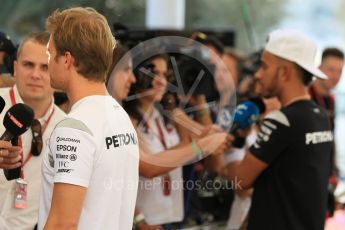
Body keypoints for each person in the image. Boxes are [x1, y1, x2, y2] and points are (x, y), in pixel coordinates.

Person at [38, 7, 139, 230]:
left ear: (66, 59)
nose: (47, 63)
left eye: (48, 54)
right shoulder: (120, 115)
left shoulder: (74, 128)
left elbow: (62, 224)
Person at [227, 29, 333, 230]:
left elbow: (240, 180)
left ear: (284, 72)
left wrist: (237, 142)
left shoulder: (281, 120)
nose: (258, 74)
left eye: (264, 66)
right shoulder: (320, 116)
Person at [0, 31, 66, 230]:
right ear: (15, 68)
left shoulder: (67, 127)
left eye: (45, 67)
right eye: (28, 64)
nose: (35, 74)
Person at [309, 47, 344, 216]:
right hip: (308, 175)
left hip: (324, 175)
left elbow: (331, 139)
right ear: (319, 67)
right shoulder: (306, 95)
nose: (336, 76)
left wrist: (333, 171)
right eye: (331, 69)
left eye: (340, 71)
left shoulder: (331, 100)